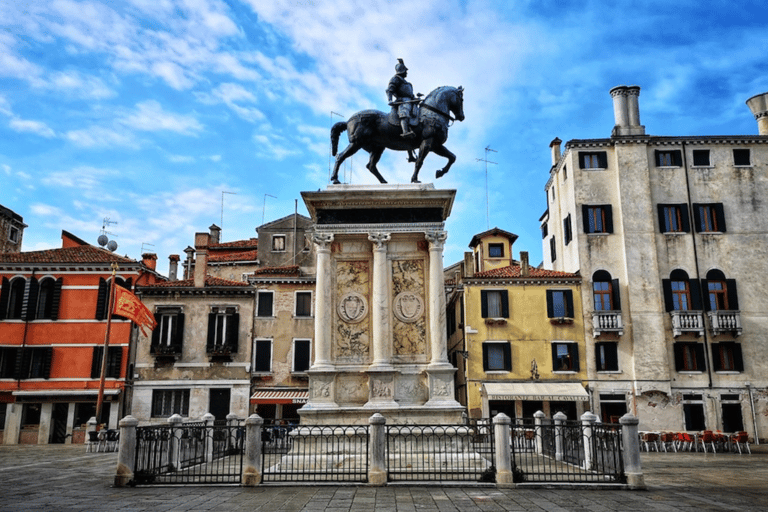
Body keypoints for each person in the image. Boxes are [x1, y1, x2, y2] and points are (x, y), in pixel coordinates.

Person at [386, 58, 420, 139]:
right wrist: (390, 100)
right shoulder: (396, 79)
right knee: (405, 112)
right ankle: (405, 132)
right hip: (403, 101)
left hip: (410, 101)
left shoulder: (407, 83)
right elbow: (389, 90)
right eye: (405, 71)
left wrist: (415, 99)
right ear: (402, 71)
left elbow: (410, 94)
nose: (406, 72)